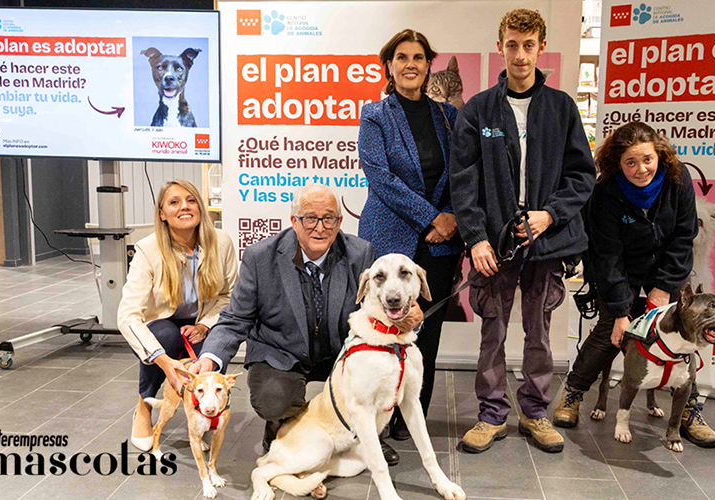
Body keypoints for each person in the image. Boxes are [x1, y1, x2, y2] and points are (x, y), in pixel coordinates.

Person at [189, 184, 421, 465]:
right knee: (274, 399)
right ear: (293, 221)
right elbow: (236, 317)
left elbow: (375, 307)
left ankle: (366, 435)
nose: (320, 227)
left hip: (340, 351)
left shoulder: (360, 253)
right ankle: (281, 427)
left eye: (329, 218)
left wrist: (406, 316)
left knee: (375, 371)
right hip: (281, 352)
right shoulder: (260, 257)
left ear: (339, 221)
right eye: (310, 218)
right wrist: (210, 358)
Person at [449, 8, 595, 454]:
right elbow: (463, 180)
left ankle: (534, 412)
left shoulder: (562, 107)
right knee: (492, 329)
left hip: (546, 242)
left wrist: (550, 214)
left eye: (528, 45)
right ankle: (491, 415)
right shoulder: (479, 110)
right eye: (512, 45)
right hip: (494, 244)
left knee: (540, 331)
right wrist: (475, 238)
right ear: (501, 47)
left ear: (540, 48)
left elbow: (581, 176)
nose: (520, 54)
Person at [552, 122, 715, 448]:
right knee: (609, 333)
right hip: (622, 268)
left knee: (682, 336)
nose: (640, 169)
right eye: (630, 162)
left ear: (659, 155)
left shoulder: (678, 179)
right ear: (618, 163)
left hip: (666, 267)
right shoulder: (605, 192)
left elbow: (683, 238)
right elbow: (607, 254)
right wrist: (619, 310)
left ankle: (689, 410)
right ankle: (573, 392)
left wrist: (664, 286)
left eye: (646, 160)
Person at [358, 29, 463, 440]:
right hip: (390, 236)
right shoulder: (375, 114)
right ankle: (377, 416)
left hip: (441, 243)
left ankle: (410, 417)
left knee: (427, 332)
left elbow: (463, 175)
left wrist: (451, 215)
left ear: (428, 65)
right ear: (389, 65)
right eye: (401, 57)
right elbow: (380, 178)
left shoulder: (448, 117)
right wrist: (431, 218)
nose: (410, 65)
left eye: (418, 57)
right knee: (385, 327)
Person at [118, 179, 239, 452]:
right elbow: (127, 315)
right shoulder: (147, 250)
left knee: (213, 354)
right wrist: (163, 361)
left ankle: (203, 413)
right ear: (162, 213)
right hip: (160, 323)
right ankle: (144, 405)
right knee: (164, 336)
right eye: (174, 202)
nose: (184, 207)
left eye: (191, 200)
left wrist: (206, 325)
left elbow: (231, 296)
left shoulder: (221, 242)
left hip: (201, 320)